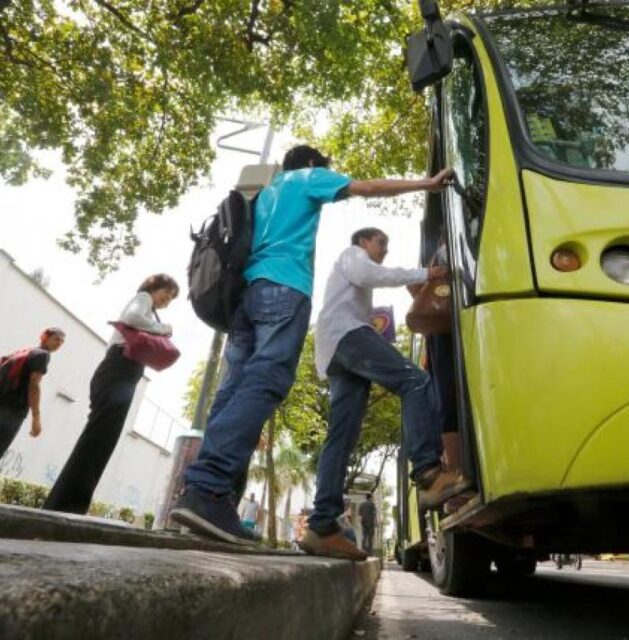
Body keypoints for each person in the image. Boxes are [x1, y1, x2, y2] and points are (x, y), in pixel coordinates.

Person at [170, 144, 457, 544]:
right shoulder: (307, 180)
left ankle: (294, 515)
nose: (382, 250)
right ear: (311, 164)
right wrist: (427, 183)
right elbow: (369, 186)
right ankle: (208, 487)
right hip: (286, 293)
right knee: (268, 381)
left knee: (239, 392)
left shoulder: (266, 193)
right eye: (381, 244)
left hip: (247, 299)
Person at [301, 228, 470, 561]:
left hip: (336, 348)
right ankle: (428, 473)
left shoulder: (352, 275)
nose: (385, 250)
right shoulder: (352, 256)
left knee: (342, 436)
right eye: (382, 243)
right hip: (348, 335)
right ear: (363, 242)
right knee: (416, 381)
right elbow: (369, 273)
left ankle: (321, 525)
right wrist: (427, 273)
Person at [43, 274, 179, 514]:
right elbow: (131, 317)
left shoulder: (148, 305)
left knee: (101, 441)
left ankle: (69, 504)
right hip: (118, 372)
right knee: (98, 440)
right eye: (167, 292)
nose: (168, 299)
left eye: (172, 296)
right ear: (153, 287)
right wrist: (163, 329)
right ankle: (66, 505)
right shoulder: (143, 298)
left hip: (120, 375)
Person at [0, 328, 66, 459]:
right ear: (44, 337)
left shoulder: (25, 352)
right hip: (12, 411)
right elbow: (34, 385)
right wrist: (36, 417)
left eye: (62, 342)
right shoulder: (43, 355)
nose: (59, 344)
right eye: (56, 339)